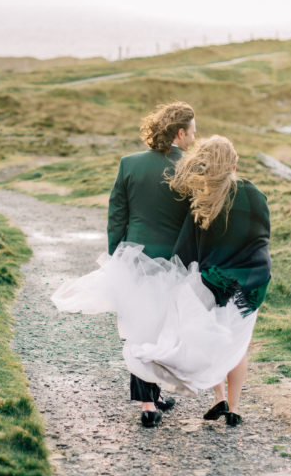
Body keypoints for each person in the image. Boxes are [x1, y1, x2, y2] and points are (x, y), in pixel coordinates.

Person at [52, 101, 196, 427]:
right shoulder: (190, 167)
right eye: (192, 133)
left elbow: (117, 217)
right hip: (174, 262)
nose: (193, 139)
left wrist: (118, 257)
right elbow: (195, 222)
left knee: (138, 329)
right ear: (179, 132)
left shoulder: (128, 164)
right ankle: (152, 398)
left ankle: (150, 400)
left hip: (134, 258)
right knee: (162, 327)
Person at [168, 136, 272, 426]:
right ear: (234, 164)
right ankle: (235, 408)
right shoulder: (255, 194)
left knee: (217, 339)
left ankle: (218, 398)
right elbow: (264, 234)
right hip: (252, 280)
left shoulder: (203, 197)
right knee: (239, 344)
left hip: (215, 282)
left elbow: (185, 250)